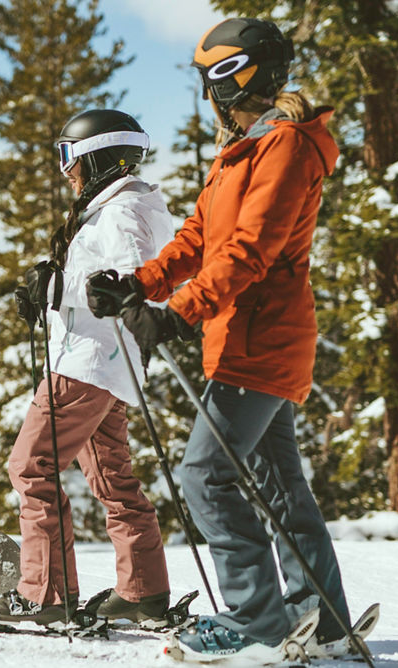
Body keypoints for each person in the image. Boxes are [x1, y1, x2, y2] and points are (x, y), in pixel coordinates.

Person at [88, 17, 354, 663]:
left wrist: (177, 314)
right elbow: (196, 241)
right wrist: (139, 284)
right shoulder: (242, 150)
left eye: (217, 76)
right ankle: (323, 622)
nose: (210, 90)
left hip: (262, 339)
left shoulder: (283, 146)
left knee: (204, 476)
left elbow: (249, 250)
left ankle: (258, 621)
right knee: (279, 484)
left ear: (243, 75)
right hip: (243, 339)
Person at [0, 110, 178, 628]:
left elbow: (133, 284)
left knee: (31, 466)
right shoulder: (121, 207)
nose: (64, 170)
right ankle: (142, 590)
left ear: (99, 157)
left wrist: (58, 290)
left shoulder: (122, 213)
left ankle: (47, 595)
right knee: (112, 476)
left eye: (69, 157)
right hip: (103, 365)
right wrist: (53, 291)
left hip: (88, 364)